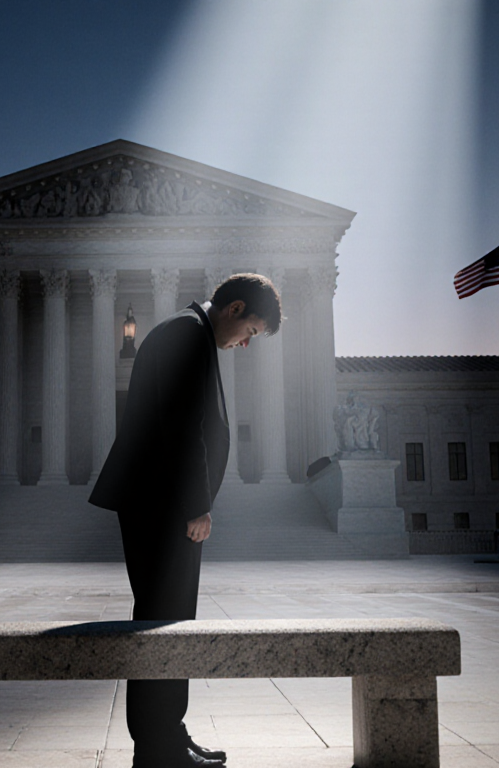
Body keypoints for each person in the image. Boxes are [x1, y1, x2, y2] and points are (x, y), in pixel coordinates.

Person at [90, 273, 282, 768]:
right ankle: (158, 747)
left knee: (169, 623)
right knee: (162, 625)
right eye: (251, 333)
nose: (244, 344)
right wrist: (196, 504)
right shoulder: (187, 334)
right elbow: (181, 424)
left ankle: (168, 735)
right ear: (235, 308)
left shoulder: (187, 331)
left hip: (161, 502)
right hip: (164, 505)